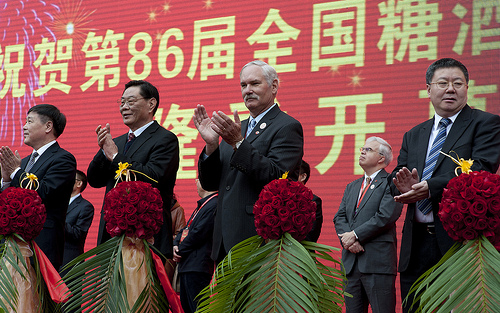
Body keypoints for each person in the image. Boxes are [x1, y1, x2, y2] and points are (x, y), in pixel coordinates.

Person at [391, 58, 500, 313]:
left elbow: (481, 168)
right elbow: (398, 173)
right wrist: (402, 184)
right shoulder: (414, 134)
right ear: (429, 89)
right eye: (443, 83)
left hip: (458, 241)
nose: (450, 89)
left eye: (457, 83)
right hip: (415, 243)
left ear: (466, 87)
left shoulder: (485, 123)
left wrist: (430, 186)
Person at [193, 60, 304, 263]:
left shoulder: (287, 126)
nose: (248, 91)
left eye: (254, 84)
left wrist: (238, 142)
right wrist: (211, 146)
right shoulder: (236, 128)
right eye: (243, 85)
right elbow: (210, 183)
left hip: (258, 237)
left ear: (274, 86)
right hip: (224, 238)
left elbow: (277, 177)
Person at [87, 80, 179, 259]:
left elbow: (154, 176)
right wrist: (103, 150)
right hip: (112, 234)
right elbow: (94, 180)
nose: (124, 108)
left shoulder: (165, 139)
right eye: (121, 103)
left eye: (130, 101)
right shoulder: (119, 141)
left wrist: (116, 157)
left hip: (147, 235)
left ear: (151, 104)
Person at [0, 104, 77, 271]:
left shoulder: (63, 159)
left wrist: (15, 172)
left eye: (29, 121)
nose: (24, 126)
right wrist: (6, 180)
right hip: (12, 246)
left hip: (42, 246)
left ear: (48, 126)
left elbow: (44, 192)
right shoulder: (25, 161)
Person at [334, 137, 403, 313]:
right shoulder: (352, 186)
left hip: (377, 263)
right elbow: (339, 217)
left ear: (381, 158)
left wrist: (355, 235)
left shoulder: (391, 183)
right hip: (351, 263)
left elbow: (386, 216)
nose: (362, 151)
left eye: (368, 150)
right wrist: (349, 240)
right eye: (362, 149)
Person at [173, 178, 218, 313]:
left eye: (199, 178)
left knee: (197, 309)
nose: (196, 181)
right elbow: (185, 229)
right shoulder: (203, 205)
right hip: (188, 265)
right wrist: (175, 244)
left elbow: (198, 233)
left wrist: (179, 249)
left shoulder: (214, 204)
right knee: (187, 308)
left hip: (198, 266)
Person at [61, 170, 95, 270]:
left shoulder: (85, 207)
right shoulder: (57, 203)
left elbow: (77, 234)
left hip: (69, 262)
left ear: (79, 183)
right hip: (50, 259)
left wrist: (59, 217)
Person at [298, 160, 323, 242]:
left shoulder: (313, 201)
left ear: (303, 177)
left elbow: (312, 235)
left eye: (293, 173)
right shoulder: (279, 198)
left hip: (302, 252)